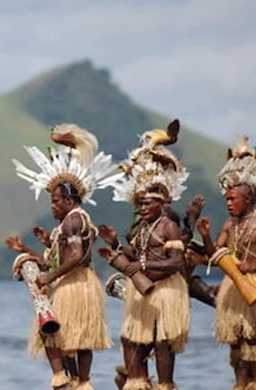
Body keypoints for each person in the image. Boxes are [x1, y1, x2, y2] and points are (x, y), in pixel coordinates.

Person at [6, 123, 118, 389]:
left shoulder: (73, 221)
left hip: (75, 284)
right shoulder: (69, 222)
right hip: (72, 282)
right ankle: (77, 381)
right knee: (72, 338)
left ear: (69, 200)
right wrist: (28, 251)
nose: (52, 206)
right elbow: (55, 260)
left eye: (55, 201)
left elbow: (76, 256)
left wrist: (49, 278)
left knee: (66, 337)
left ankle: (72, 380)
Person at [98, 122, 190, 390]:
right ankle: (138, 383)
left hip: (166, 291)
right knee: (132, 338)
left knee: (163, 343)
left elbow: (176, 263)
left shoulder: (168, 226)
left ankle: (164, 385)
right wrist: (115, 243)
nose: (143, 207)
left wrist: (143, 264)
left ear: (161, 203)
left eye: (148, 203)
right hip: (144, 292)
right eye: (140, 204)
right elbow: (136, 253)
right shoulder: (144, 227)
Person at [196, 136, 256, 390]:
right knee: (235, 340)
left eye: (233, 199)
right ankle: (239, 385)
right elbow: (214, 256)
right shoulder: (230, 224)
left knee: (254, 339)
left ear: (249, 200)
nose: (228, 203)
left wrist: (253, 268)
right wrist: (206, 235)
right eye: (227, 199)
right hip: (233, 288)